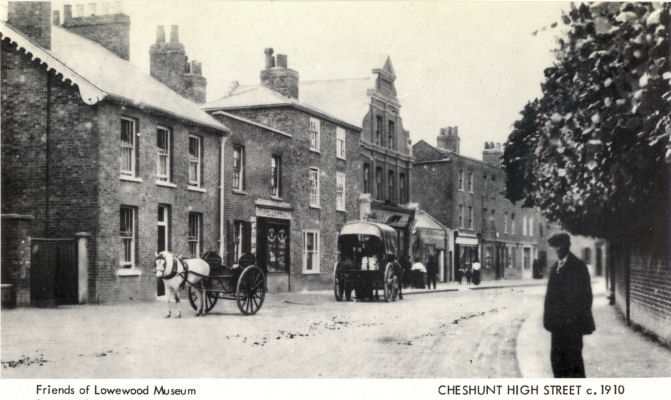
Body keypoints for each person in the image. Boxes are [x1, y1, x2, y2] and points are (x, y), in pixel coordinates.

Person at [543, 233, 595, 378]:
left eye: (560, 246)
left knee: (573, 363)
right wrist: (548, 320)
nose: (557, 249)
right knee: (557, 362)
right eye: (555, 246)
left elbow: (586, 297)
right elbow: (550, 298)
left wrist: (573, 319)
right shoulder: (555, 268)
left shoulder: (578, 266)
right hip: (557, 327)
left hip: (573, 327)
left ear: (567, 246)